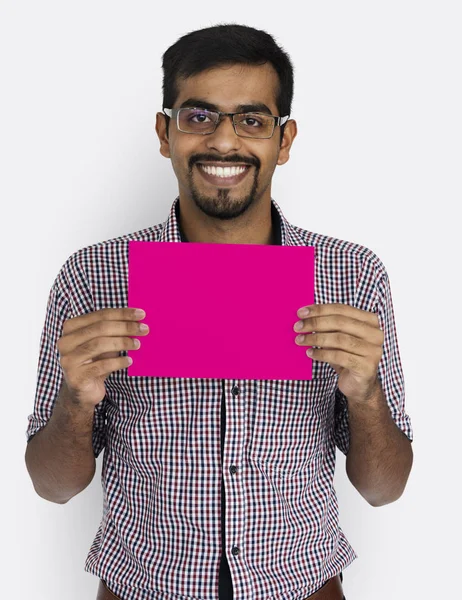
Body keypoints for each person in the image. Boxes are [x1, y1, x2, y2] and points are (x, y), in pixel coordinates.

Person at [24, 23, 414, 600]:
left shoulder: (353, 276)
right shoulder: (92, 277)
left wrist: (367, 393)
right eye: (198, 116)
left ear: (284, 141)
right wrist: (76, 400)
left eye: (252, 121)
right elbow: (53, 488)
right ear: (165, 132)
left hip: (303, 585)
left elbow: (384, 490)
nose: (224, 143)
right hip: (144, 587)